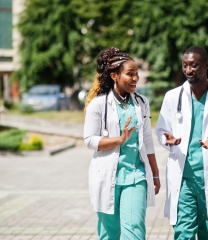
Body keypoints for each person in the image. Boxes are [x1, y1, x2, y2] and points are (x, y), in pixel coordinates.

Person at [155, 46, 208, 239]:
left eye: (194, 65)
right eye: (185, 65)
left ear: (206, 65)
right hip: (183, 176)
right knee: (183, 232)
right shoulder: (172, 97)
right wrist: (169, 140)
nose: (188, 70)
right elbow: (161, 130)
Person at [83, 47, 160, 240]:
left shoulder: (142, 103)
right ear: (114, 76)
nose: (135, 78)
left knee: (134, 230)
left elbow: (148, 140)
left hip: (136, 175)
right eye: (130, 74)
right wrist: (119, 139)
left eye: (136, 74)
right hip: (107, 174)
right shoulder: (99, 105)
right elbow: (90, 140)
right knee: (109, 234)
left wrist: (156, 174)